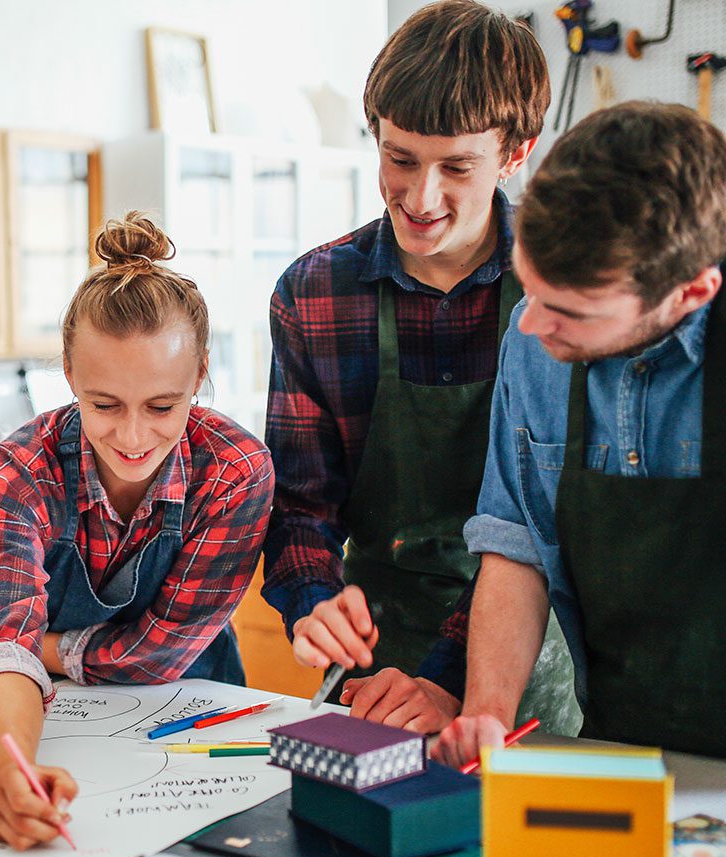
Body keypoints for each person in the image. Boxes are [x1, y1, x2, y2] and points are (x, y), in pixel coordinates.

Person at [262, 1, 554, 720]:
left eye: (457, 167)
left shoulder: (559, 300)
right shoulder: (315, 292)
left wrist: (451, 678)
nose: (421, 197)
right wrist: (313, 603)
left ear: (516, 153)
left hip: (527, 678)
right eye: (400, 159)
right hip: (372, 674)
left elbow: (544, 531)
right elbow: (301, 504)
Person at [0, 213, 275, 850]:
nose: (133, 438)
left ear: (200, 376)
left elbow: (157, 655)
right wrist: (9, 771)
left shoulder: (236, 472)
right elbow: (2, 651)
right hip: (63, 729)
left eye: (162, 406)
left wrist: (48, 649)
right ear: (71, 377)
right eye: (104, 405)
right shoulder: (13, 476)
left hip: (199, 725)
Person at [434, 102, 726, 765]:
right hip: (618, 747)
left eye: (571, 311)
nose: (531, 325)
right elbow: (514, 549)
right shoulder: (533, 345)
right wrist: (485, 713)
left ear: (691, 292)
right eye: (529, 288)